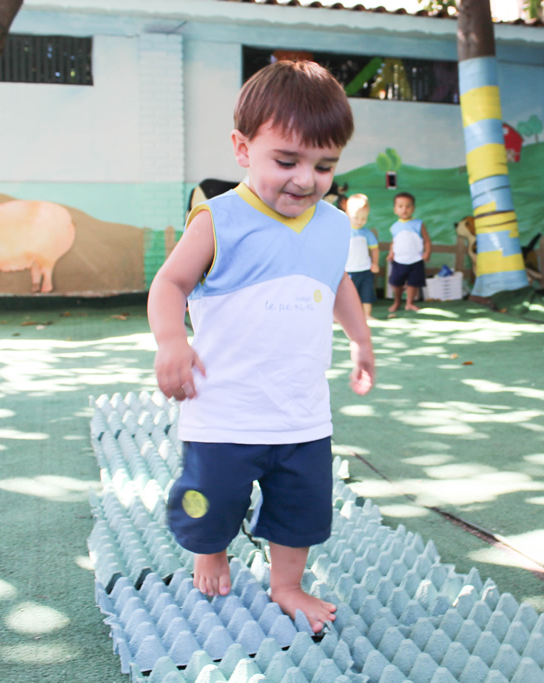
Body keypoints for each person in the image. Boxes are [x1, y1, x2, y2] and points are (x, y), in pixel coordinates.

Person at [147, 60, 375, 634]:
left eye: (324, 165)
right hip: (224, 409)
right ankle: (210, 550)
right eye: (287, 161)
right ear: (243, 148)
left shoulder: (332, 226)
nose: (306, 179)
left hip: (300, 412)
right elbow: (169, 283)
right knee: (208, 501)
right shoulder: (219, 220)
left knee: (302, 508)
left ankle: (287, 584)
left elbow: (339, 284)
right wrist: (172, 340)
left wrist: (360, 339)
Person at [386, 191, 431, 312]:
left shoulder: (418, 223)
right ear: (395, 209)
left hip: (415, 259)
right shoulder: (394, 226)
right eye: (400, 206)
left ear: (413, 208)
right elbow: (394, 242)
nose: (404, 209)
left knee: (413, 283)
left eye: (408, 206)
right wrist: (391, 253)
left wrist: (427, 252)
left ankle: (409, 303)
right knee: (396, 283)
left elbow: (427, 240)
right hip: (399, 260)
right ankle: (397, 302)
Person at [344, 194, 380, 319]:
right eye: (356, 217)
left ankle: (366, 314)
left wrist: (375, 263)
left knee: (366, 294)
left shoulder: (367, 233)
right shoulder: (343, 231)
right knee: (347, 295)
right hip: (348, 270)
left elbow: (374, 249)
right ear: (348, 213)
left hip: (365, 270)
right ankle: (344, 316)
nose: (360, 221)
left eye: (364, 218)